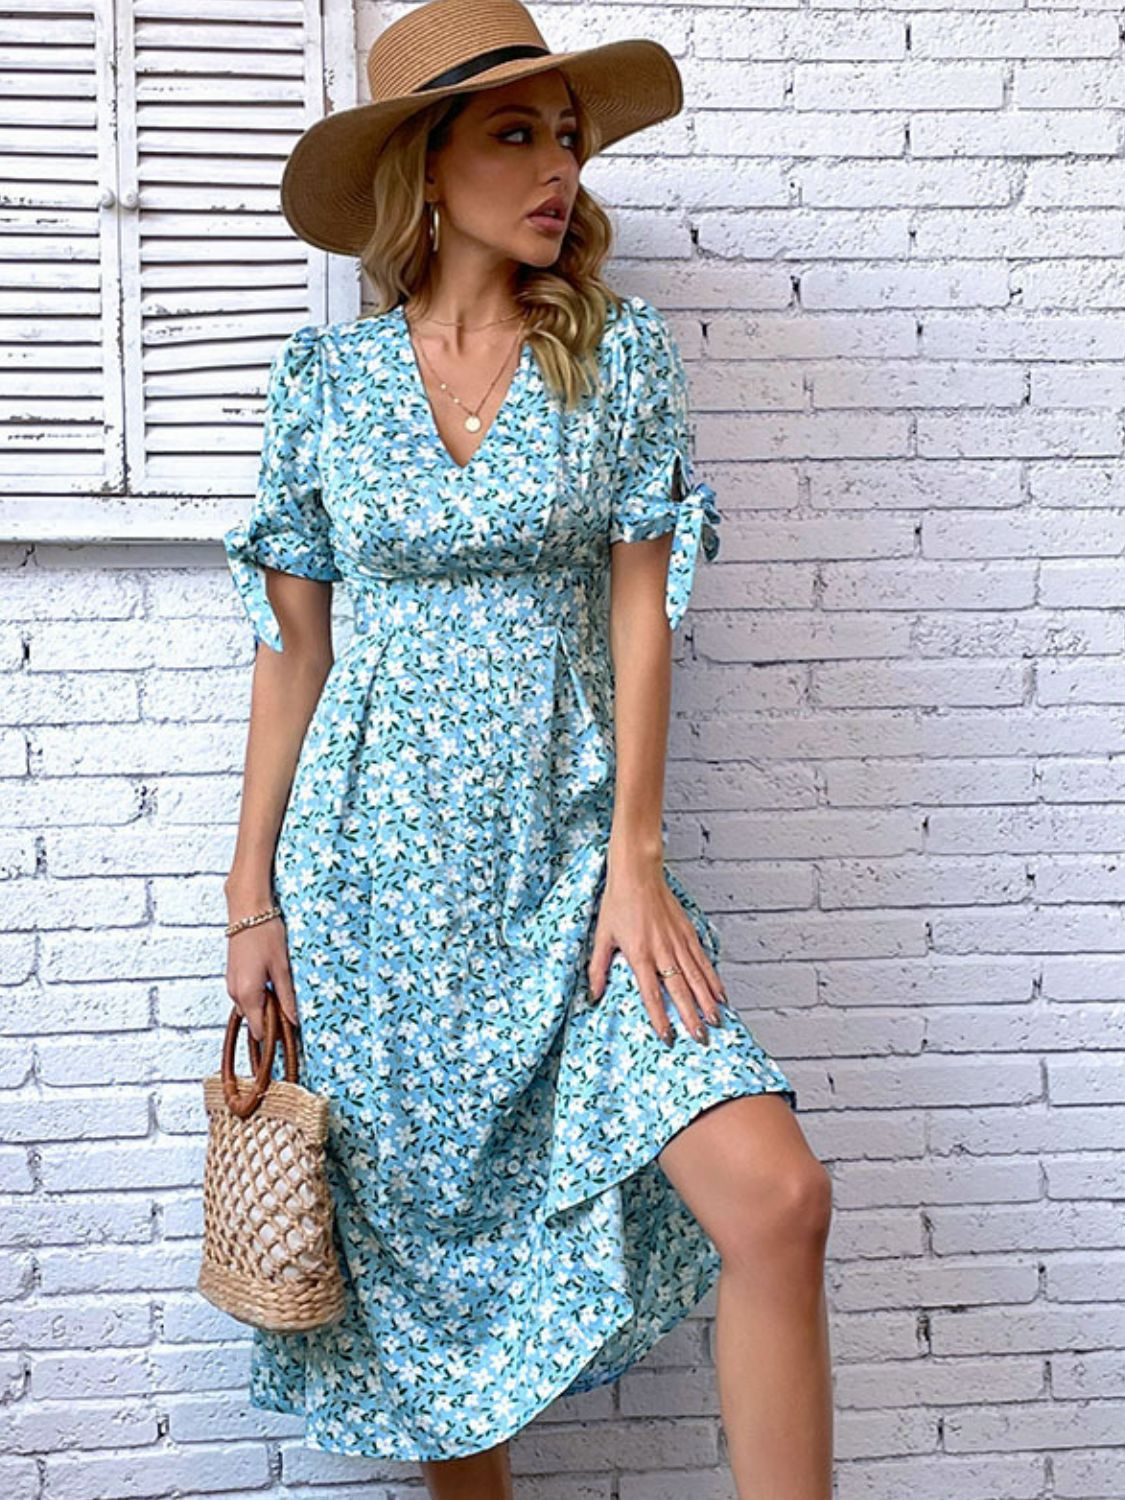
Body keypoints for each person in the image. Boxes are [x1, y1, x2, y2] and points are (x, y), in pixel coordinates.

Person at [220, 1, 834, 1495]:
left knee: (775, 1200)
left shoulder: (615, 358)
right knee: (430, 1288)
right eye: (515, 135)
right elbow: (292, 652)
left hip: (572, 870)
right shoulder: (326, 384)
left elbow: (643, 616)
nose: (558, 168)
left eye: (566, 137)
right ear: (423, 169)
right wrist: (251, 901)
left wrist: (636, 860)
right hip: (374, 891)